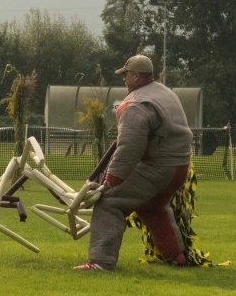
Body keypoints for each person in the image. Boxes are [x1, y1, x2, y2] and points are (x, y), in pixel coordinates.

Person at [74, 55, 193, 270]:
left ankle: (101, 262)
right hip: (179, 167)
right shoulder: (164, 92)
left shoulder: (135, 105)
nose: (124, 80)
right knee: (153, 206)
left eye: (126, 75)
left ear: (136, 76)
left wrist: (112, 178)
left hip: (158, 167)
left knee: (109, 203)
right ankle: (176, 256)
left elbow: (130, 146)